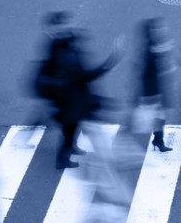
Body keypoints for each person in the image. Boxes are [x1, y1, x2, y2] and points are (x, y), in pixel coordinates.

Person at [45, 20, 125, 169]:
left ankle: (70, 150)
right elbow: (85, 77)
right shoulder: (70, 58)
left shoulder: (64, 52)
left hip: (68, 101)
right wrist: (109, 63)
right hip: (70, 104)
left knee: (70, 131)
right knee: (69, 132)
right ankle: (63, 160)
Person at [134, 18, 176, 152]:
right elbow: (146, 70)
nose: (161, 31)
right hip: (151, 91)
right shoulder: (149, 50)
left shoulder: (151, 46)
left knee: (160, 116)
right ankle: (157, 140)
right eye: (158, 29)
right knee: (151, 119)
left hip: (155, 88)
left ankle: (158, 140)